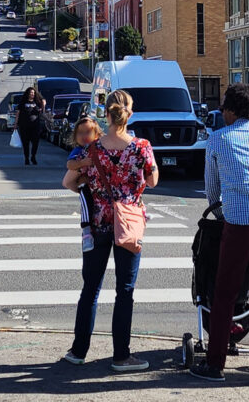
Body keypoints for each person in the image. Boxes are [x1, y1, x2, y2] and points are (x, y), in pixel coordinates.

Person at [190, 82, 249, 387]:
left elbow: (213, 190)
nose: (222, 114)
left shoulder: (217, 140)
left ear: (231, 110)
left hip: (237, 223)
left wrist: (223, 214)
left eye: (224, 109)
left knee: (225, 292)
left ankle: (215, 363)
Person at [61, 89, 158, 373]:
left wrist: (90, 184)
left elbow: (68, 181)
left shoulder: (91, 149)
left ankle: (78, 351)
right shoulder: (141, 147)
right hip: (127, 224)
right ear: (129, 113)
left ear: (106, 113)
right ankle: (121, 356)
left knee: (90, 289)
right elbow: (152, 181)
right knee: (124, 291)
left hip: (98, 223)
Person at [66, 116, 101, 252]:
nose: (84, 136)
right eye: (80, 133)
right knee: (86, 205)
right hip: (85, 186)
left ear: (96, 134)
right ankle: (86, 231)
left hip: (99, 187)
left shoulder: (99, 147)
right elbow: (69, 164)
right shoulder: (78, 151)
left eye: (88, 132)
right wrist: (82, 163)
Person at [14, 86, 44, 165]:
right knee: (25, 143)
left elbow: (43, 101)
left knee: (35, 142)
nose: (32, 94)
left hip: (35, 126)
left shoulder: (37, 102)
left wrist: (43, 105)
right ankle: (26, 158)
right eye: (31, 93)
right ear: (28, 93)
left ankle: (33, 156)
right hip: (24, 126)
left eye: (33, 93)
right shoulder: (23, 103)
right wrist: (15, 124)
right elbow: (18, 113)